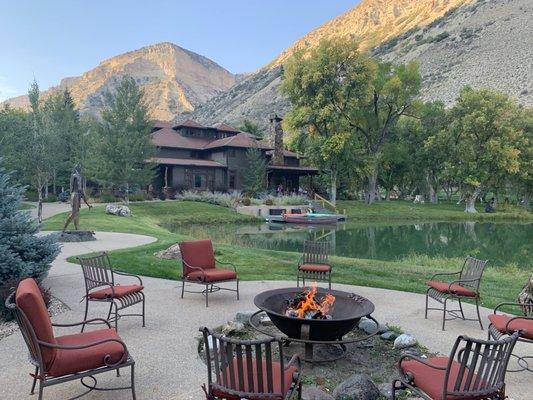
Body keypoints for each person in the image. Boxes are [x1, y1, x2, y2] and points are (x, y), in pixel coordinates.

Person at [63, 165, 92, 231]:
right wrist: (71, 196)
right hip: (74, 195)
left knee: (77, 213)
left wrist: (87, 204)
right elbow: (71, 186)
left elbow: (80, 189)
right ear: (76, 169)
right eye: (79, 168)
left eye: (80, 168)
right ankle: (64, 228)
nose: (80, 169)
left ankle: (77, 229)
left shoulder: (80, 177)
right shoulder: (74, 176)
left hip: (78, 195)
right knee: (74, 213)